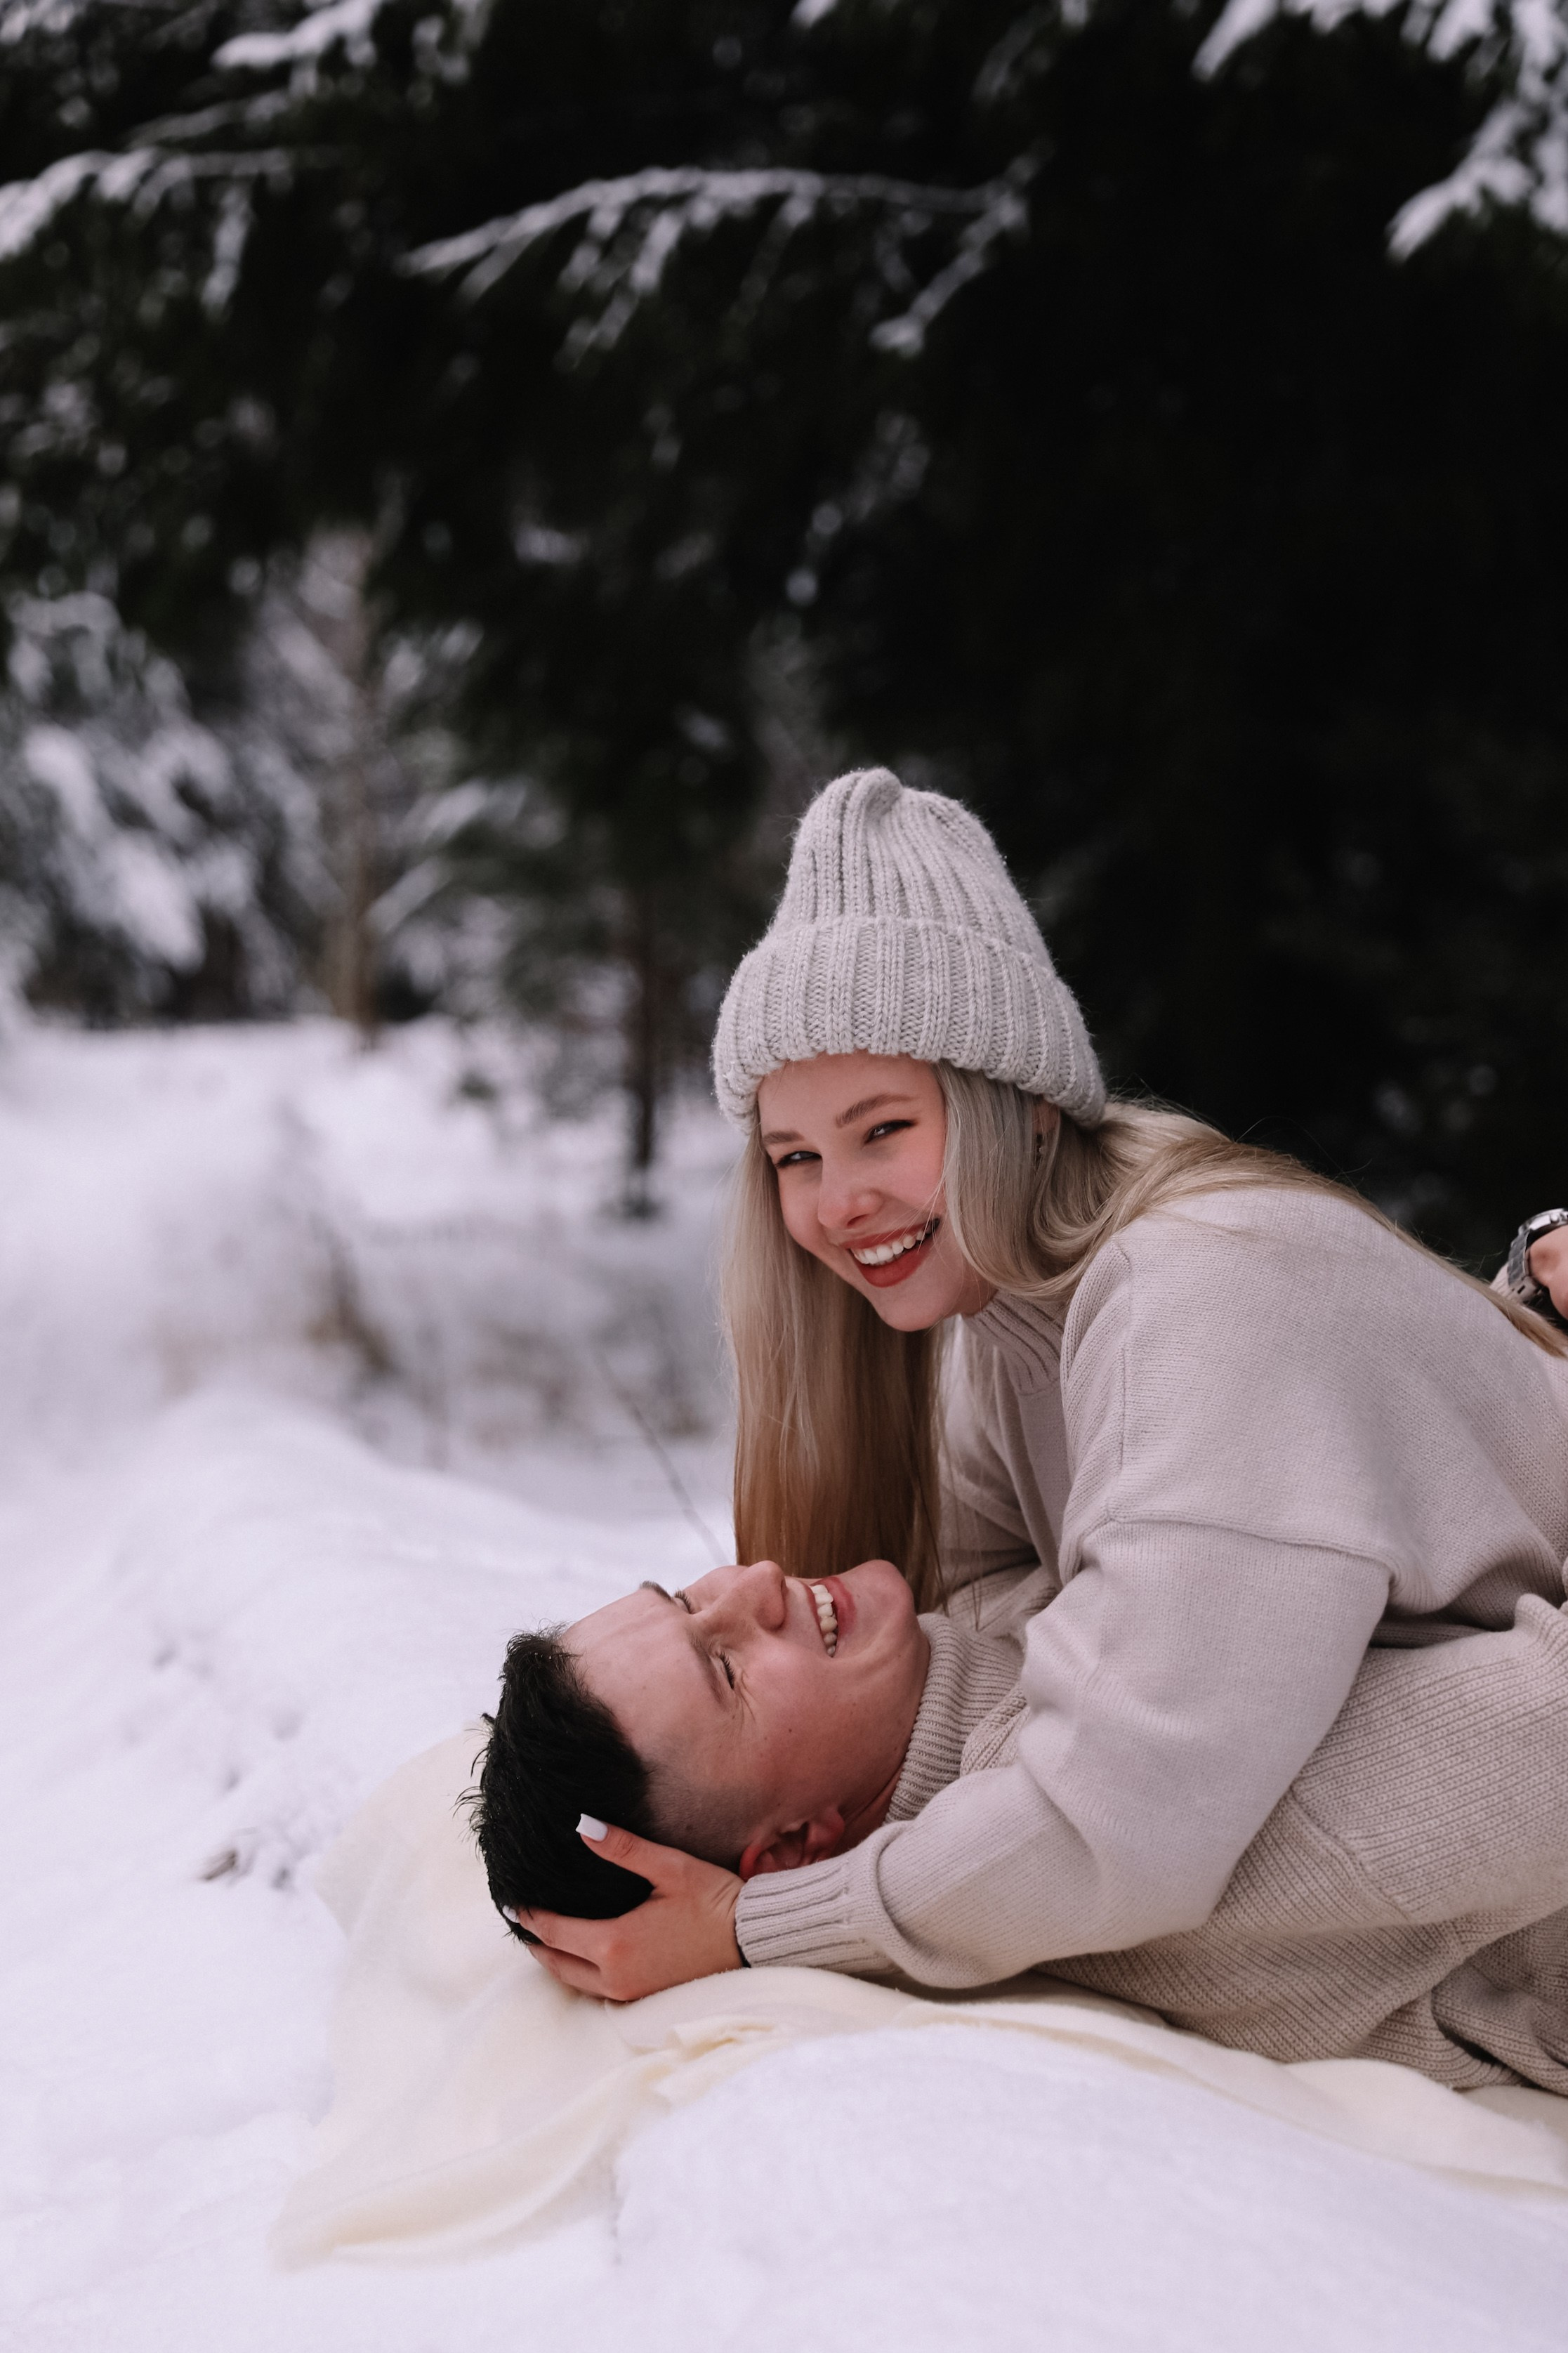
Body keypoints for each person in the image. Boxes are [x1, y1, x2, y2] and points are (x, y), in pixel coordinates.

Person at [499, 767, 1568, 2041]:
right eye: (795, 1158)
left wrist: (753, 1928)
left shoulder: (1192, 1292)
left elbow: (1116, 1816)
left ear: (1012, 1100)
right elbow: (985, 1633)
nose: (835, 1202)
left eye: (881, 1129)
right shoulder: (1011, 1321)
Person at [471, 1546, 1568, 2090]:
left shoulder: (990, 1625)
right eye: (726, 1668)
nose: (755, 1580)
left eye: (685, 1596)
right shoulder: (1134, 1825)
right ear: (799, 1844)